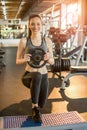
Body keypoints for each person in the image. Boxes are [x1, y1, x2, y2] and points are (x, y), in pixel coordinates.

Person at [16, 14, 54, 123]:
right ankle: (34, 108)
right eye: (32, 24)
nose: (35, 26)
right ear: (29, 25)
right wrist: (24, 59)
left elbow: (52, 62)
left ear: (42, 25)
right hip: (29, 75)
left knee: (42, 103)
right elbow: (17, 61)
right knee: (36, 76)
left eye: (38, 24)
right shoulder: (24, 41)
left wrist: (48, 59)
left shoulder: (47, 41)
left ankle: (37, 105)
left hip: (44, 75)